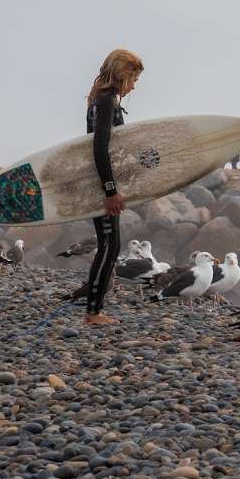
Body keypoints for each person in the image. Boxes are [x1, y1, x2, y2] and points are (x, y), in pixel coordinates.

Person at [84, 49, 144, 326]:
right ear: (122, 74)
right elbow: (100, 148)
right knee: (109, 245)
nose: (134, 85)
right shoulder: (107, 101)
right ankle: (93, 313)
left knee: (111, 244)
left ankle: (94, 310)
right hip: (101, 184)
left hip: (100, 181)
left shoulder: (101, 99)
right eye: (132, 78)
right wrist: (110, 191)